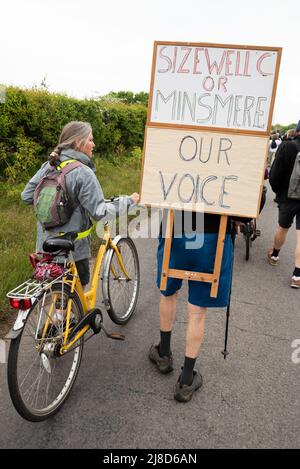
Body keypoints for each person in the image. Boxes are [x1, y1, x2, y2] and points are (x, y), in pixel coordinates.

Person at [148, 188, 266, 403]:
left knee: (168, 293)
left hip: (176, 225)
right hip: (213, 234)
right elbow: (249, 210)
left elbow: (156, 188)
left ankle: (164, 354)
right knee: (197, 309)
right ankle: (186, 379)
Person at [21, 121, 139, 286]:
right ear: (78, 142)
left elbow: (26, 196)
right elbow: (100, 212)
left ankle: (58, 312)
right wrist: (129, 201)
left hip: (45, 246)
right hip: (73, 249)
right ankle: (67, 312)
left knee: (56, 290)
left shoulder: (49, 165)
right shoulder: (83, 172)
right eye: (90, 140)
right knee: (75, 294)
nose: (94, 144)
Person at [268, 120, 300, 288]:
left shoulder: (288, 147)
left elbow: (274, 174)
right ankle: (297, 275)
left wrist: (278, 191)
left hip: (287, 196)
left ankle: (274, 255)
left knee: (283, 228)